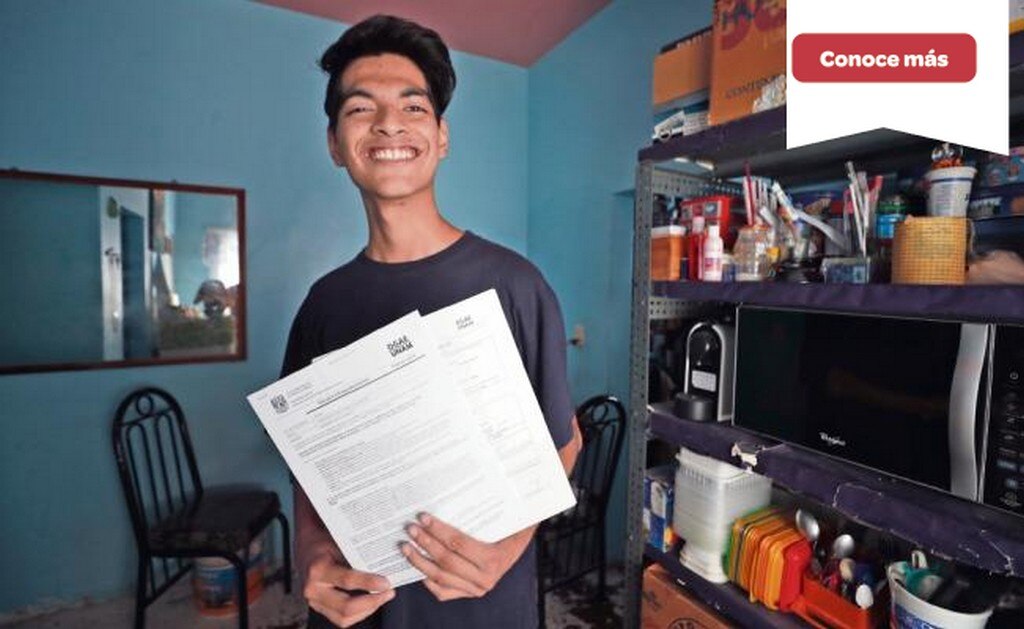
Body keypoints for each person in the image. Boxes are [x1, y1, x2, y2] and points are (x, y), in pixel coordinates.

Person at [279, 15, 582, 629]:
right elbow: (313, 472)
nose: (389, 123)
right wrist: (310, 552)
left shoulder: (516, 285)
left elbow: (565, 442)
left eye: (412, 107)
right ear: (335, 144)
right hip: (360, 613)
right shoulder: (323, 305)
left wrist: (509, 545)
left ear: (441, 136)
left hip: (481, 607)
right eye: (361, 109)